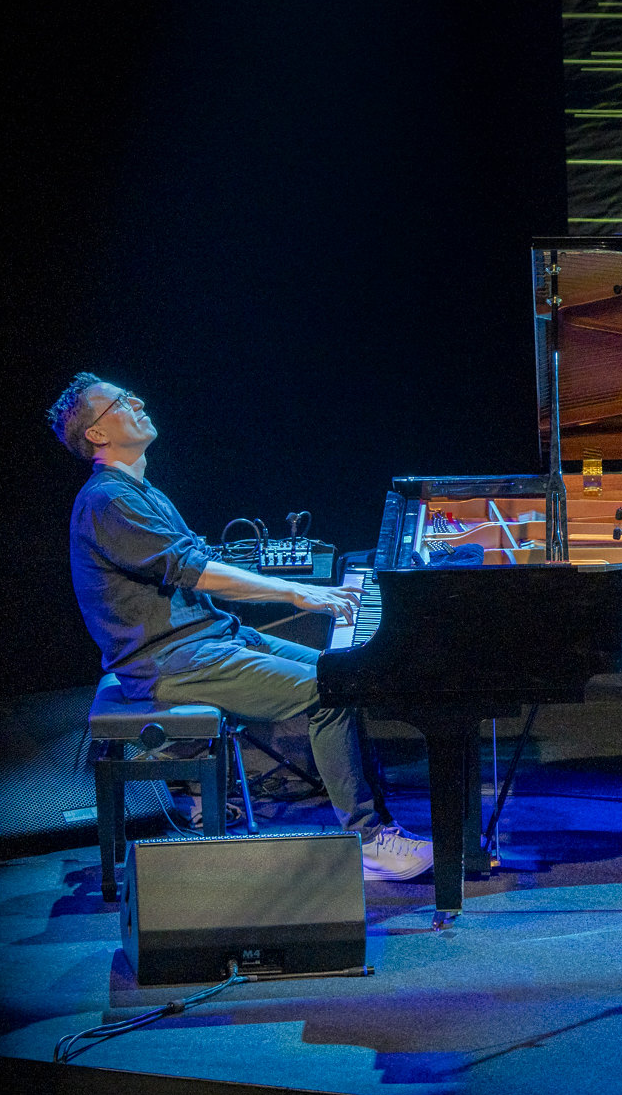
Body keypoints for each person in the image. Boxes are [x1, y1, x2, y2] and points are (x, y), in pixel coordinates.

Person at [48, 372, 433, 882]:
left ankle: (379, 829)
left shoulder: (139, 491)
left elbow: (196, 561)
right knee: (330, 692)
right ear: (96, 434)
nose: (137, 400)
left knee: (347, 674)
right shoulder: (108, 501)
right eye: (120, 401)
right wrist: (296, 591)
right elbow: (194, 570)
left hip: (210, 639)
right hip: (172, 661)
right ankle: (368, 840)